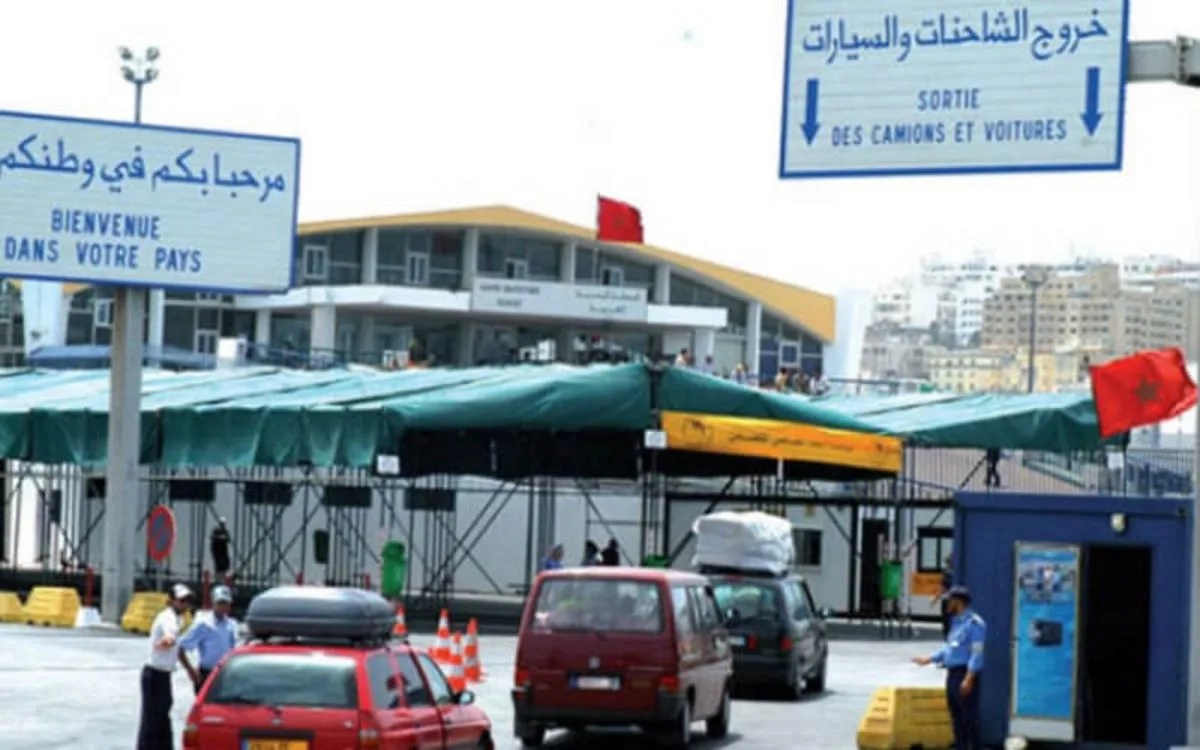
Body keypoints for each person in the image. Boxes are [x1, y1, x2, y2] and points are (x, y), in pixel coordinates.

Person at [913, 586, 986, 750]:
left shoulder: (975, 624)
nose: (947, 604)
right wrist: (929, 659)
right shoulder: (956, 623)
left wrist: (969, 679)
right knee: (956, 716)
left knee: (969, 717)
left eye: (949, 600)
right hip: (953, 674)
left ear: (958, 602)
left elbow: (977, 653)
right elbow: (948, 649)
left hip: (965, 674)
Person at [138, 583, 196, 750]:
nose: (185, 605)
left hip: (163, 674)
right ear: (171, 601)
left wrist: (189, 669)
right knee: (153, 721)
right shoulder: (168, 617)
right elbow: (170, 638)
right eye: (182, 601)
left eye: (187, 601)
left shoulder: (178, 619)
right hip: (155, 674)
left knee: (162, 718)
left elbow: (177, 649)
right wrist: (164, 643)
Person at [179, 585, 239, 695]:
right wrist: (190, 670)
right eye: (220, 603)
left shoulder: (232, 624)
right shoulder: (204, 624)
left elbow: (234, 650)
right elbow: (181, 648)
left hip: (226, 674)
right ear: (213, 603)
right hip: (207, 674)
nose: (224, 606)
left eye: (226, 603)